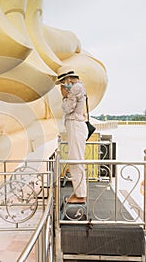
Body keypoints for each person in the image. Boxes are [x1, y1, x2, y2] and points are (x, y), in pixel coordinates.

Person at [56, 66, 88, 203]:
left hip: (75, 125)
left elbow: (67, 108)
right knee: (75, 159)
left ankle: (80, 195)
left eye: (63, 82)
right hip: (76, 125)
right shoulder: (79, 87)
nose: (62, 86)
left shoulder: (75, 89)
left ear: (68, 79)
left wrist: (64, 95)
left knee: (75, 160)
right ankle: (80, 193)